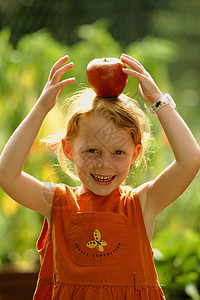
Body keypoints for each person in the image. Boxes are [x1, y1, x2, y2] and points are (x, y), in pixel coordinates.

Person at [0, 54, 199, 300]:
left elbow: (190, 160)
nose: (105, 164)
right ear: (69, 149)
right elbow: (7, 173)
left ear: (135, 153)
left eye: (118, 152)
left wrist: (159, 101)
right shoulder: (56, 203)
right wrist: (42, 107)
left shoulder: (142, 204)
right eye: (92, 151)